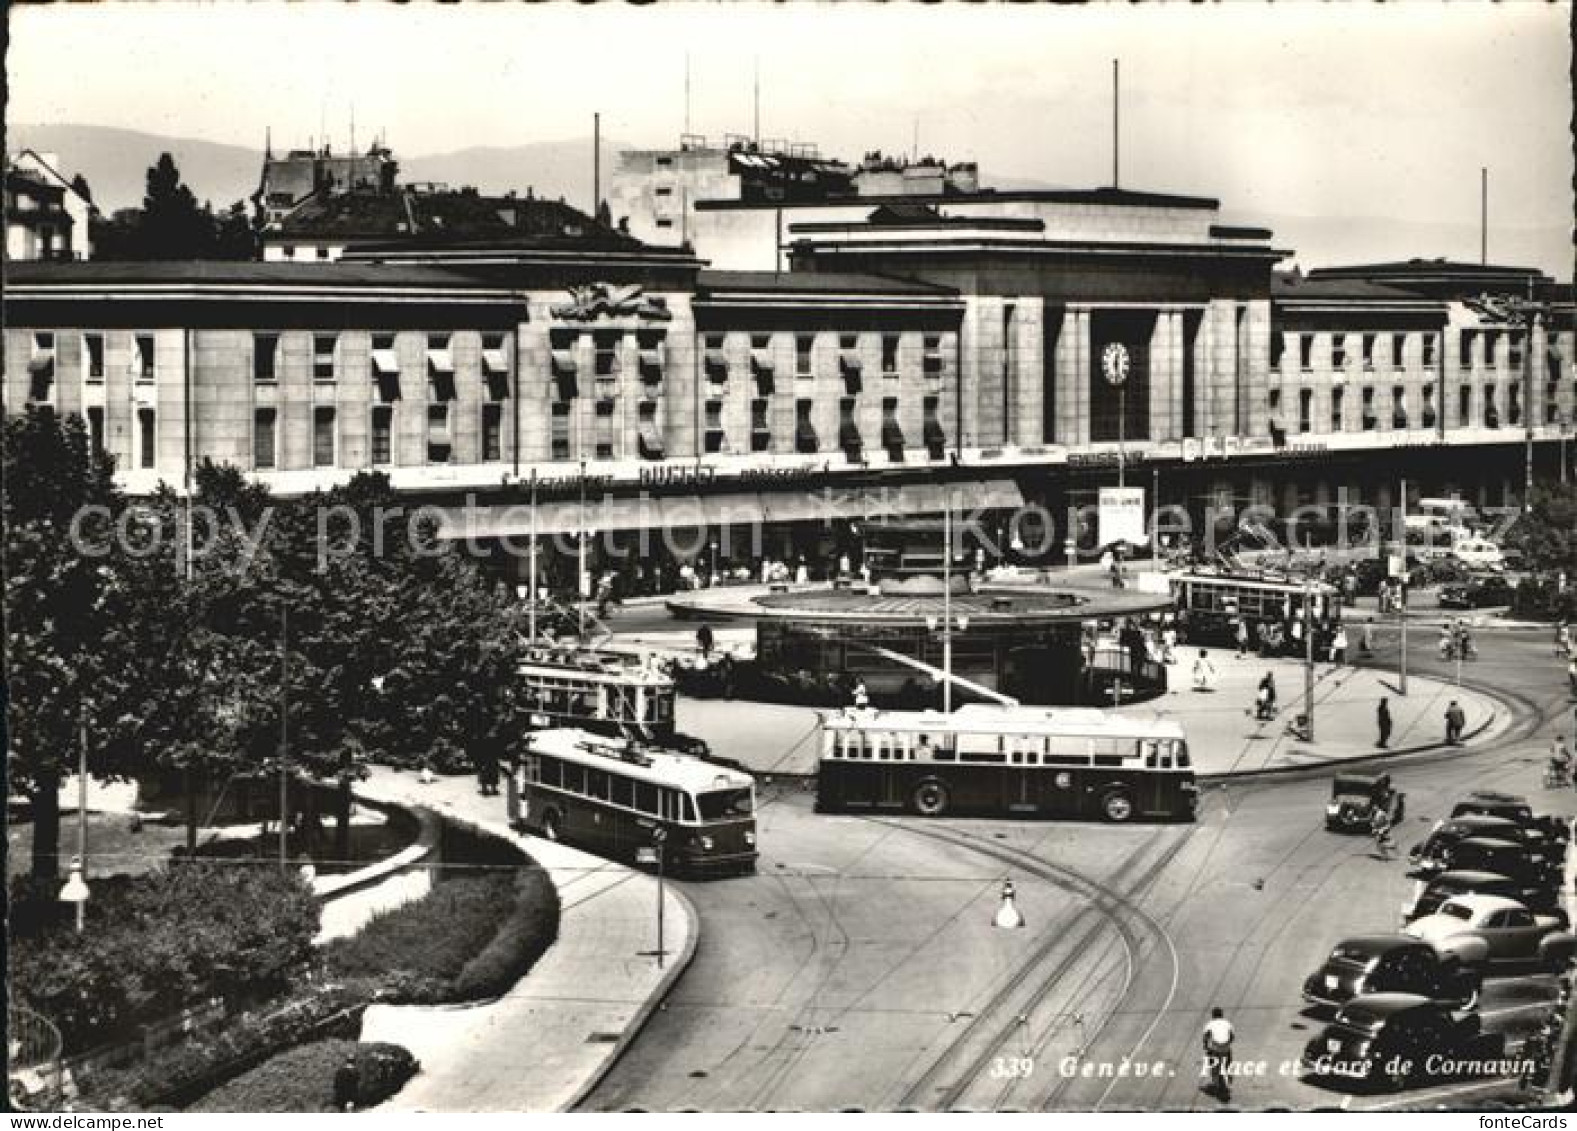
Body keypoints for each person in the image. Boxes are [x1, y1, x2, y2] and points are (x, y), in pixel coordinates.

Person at [1202, 1007, 1235, 1101]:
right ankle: (1229, 1081)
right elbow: (1232, 1036)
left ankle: (1216, 1083)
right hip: (1226, 1048)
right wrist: (1228, 1043)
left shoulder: (1210, 1024)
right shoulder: (1227, 1023)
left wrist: (1205, 1046)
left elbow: (1205, 1036)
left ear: (1213, 1015)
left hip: (1215, 1048)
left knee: (1213, 1065)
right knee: (1228, 1063)